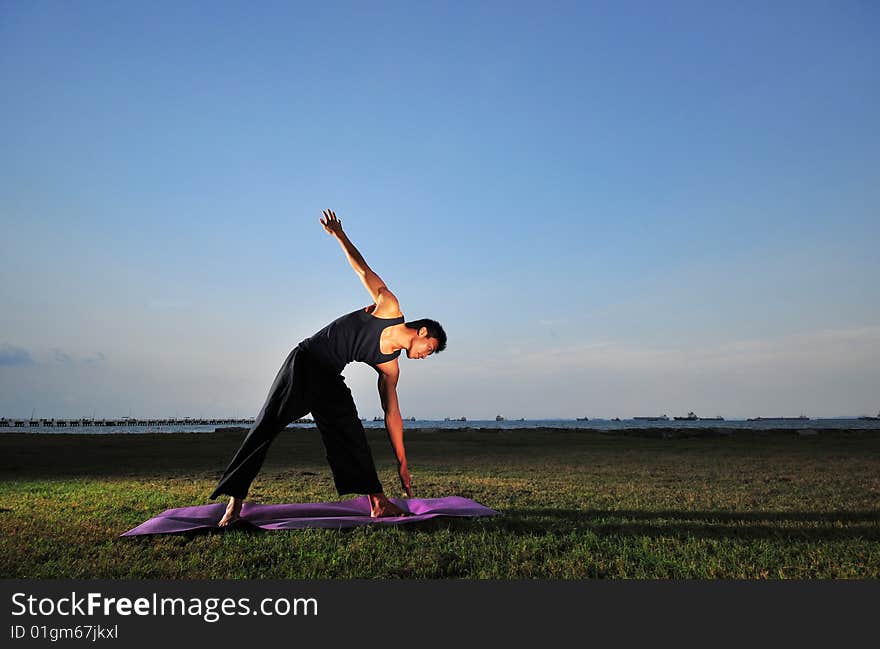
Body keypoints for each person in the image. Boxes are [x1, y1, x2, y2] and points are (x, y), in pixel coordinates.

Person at [210, 209, 447, 526]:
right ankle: (234, 504)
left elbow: (392, 413)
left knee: (350, 431)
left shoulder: (391, 367)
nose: (424, 356)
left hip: (329, 376)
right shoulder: (389, 307)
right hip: (306, 361)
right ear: (422, 332)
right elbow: (362, 270)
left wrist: (402, 462)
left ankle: (377, 503)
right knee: (267, 426)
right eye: (428, 349)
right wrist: (339, 234)